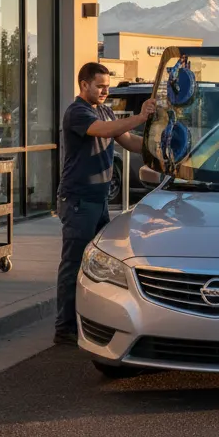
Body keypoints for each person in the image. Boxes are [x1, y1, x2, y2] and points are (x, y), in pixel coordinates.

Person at [53, 62, 156, 345]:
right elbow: (104, 131)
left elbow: (127, 140)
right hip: (78, 201)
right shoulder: (77, 112)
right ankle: (65, 329)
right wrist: (140, 115)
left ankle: (95, 321)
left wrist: (155, 151)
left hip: (98, 200)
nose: (105, 91)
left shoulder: (105, 109)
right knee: (73, 264)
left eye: (108, 87)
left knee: (100, 266)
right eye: (100, 86)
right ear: (83, 84)